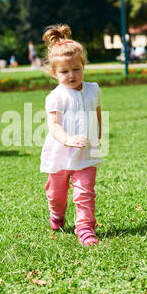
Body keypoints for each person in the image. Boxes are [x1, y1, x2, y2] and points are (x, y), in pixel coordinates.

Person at [40, 24, 103, 246]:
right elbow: (54, 126)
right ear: (54, 73)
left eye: (76, 69)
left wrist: (98, 137)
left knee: (84, 193)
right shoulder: (56, 97)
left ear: (83, 66)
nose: (71, 75)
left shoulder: (93, 89)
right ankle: (56, 214)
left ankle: (85, 228)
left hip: (85, 153)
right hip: (60, 153)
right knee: (56, 195)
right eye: (64, 72)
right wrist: (68, 139)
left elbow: (97, 113)